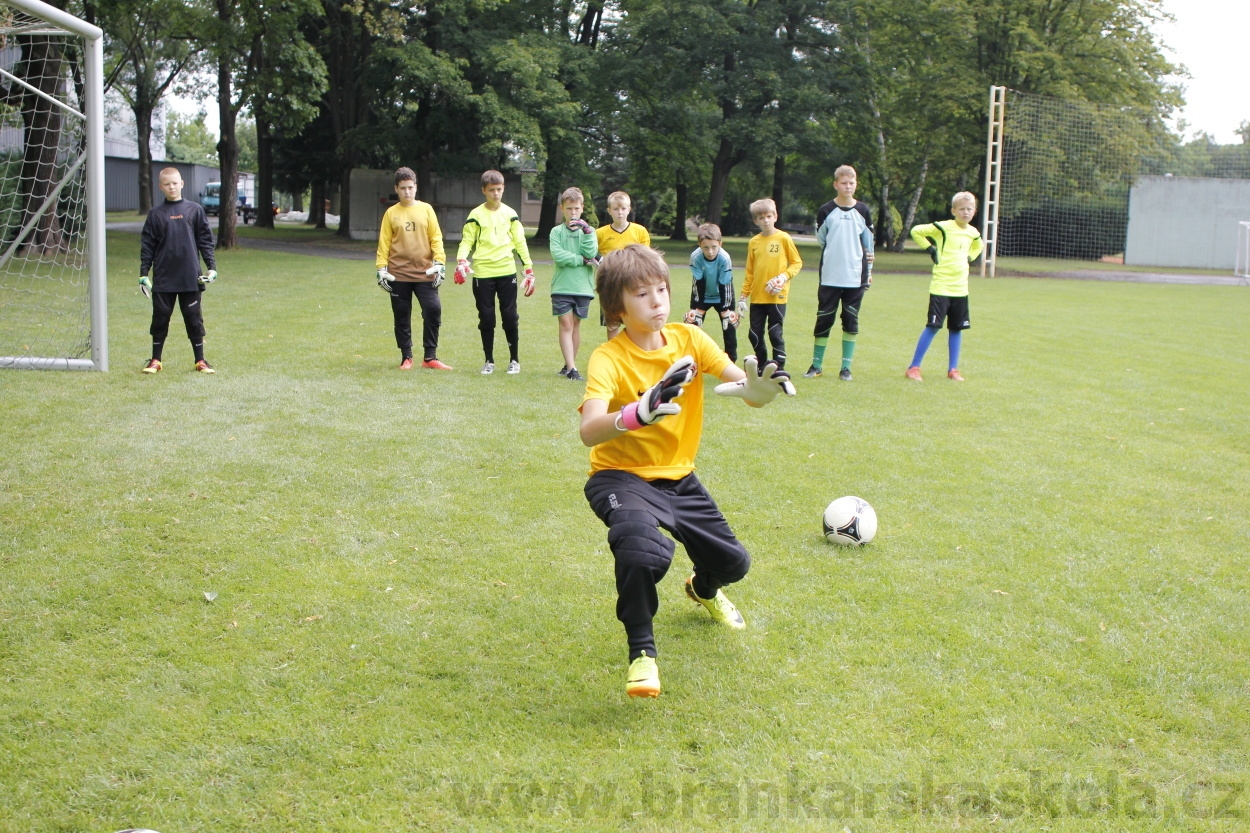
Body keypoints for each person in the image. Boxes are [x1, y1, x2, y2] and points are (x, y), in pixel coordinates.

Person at [579, 244, 795, 698]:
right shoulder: (608, 358)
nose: (657, 301)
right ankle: (642, 655)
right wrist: (636, 414)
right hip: (620, 476)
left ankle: (702, 588)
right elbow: (589, 430)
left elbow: (742, 384)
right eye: (642, 294)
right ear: (618, 305)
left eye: (661, 289)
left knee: (734, 564)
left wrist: (758, 391)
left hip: (679, 477)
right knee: (642, 551)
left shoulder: (691, 339)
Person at [455, 170, 535, 375]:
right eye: (491, 190)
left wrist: (528, 267)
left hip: (507, 271)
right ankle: (489, 360)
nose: (496, 194)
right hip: (482, 273)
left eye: (499, 189)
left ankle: (514, 360)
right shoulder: (475, 215)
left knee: (510, 316)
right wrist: (461, 260)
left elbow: (520, 242)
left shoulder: (511, 214)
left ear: (503, 188)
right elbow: (467, 241)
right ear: (484, 190)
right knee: (487, 318)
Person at [138, 167, 217, 374]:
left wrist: (211, 267)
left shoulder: (195, 210)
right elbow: (148, 245)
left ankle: (200, 361)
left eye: (174, 183)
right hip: (164, 278)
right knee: (160, 317)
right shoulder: (156, 214)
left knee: (193, 317)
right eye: (167, 184)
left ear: (182, 183)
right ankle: (156, 360)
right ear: (160, 187)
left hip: (190, 276)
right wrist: (144, 273)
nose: (171, 187)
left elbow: (205, 240)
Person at [375, 166, 450, 370]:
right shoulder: (391, 213)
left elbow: (436, 237)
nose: (407, 192)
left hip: (425, 272)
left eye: (410, 187)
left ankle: (430, 357)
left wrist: (440, 262)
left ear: (416, 187)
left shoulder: (426, 209)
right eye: (402, 188)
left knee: (433, 310)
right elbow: (384, 242)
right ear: (396, 189)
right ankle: (406, 357)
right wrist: (381, 268)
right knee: (401, 314)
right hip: (398, 274)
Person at [905, 191, 984, 382]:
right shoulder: (943, 227)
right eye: (962, 209)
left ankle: (953, 370)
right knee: (933, 327)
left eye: (970, 209)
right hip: (941, 287)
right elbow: (916, 231)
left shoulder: (973, 232)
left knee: (956, 329)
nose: (966, 212)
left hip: (960, 289)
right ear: (954, 211)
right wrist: (931, 249)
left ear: (974, 211)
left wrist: (970, 257)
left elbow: (978, 245)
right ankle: (913, 367)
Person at [806, 165, 874, 381]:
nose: (848, 186)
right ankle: (816, 365)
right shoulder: (826, 210)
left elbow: (869, 246)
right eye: (843, 183)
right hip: (830, 276)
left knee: (851, 321)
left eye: (851, 183)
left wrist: (869, 271)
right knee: (824, 319)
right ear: (836, 184)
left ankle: (846, 368)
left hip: (855, 277)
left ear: (856, 184)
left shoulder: (863, 211)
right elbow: (822, 240)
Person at [738, 198, 802, 370]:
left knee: (775, 332)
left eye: (768, 216)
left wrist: (783, 276)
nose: (765, 220)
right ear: (755, 220)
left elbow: (796, 263)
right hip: (758, 297)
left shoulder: (783, 238)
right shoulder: (754, 242)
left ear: (775, 216)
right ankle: (762, 364)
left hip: (777, 296)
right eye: (761, 217)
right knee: (754, 334)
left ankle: (778, 366)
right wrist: (743, 296)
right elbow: (750, 272)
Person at [548, 186, 599, 381]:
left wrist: (586, 232)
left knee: (575, 325)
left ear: (582, 208)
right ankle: (572, 369)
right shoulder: (556, 232)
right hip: (562, 285)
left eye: (576, 208)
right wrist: (580, 260)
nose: (573, 213)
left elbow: (590, 253)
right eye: (569, 209)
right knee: (566, 324)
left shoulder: (589, 231)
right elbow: (559, 256)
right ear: (562, 208)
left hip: (583, 287)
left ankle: (569, 364)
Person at [595, 191, 650, 341]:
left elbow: (646, 257)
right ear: (609, 210)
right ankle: (614, 355)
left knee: (635, 319)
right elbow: (591, 253)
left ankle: (635, 351)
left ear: (629, 209)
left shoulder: (640, 231)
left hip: (634, 283)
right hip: (610, 284)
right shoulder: (599, 233)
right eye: (616, 209)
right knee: (612, 323)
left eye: (623, 208)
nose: (620, 212)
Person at [683, 223, 738, 362]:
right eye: (705, 247)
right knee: (693, 326)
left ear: (720, 243)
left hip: (723, 296)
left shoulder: (725, 258)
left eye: (714, 247)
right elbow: (698, 283)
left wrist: (726, 310)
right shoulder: (695, 257)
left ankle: (731, 361)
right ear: (699, 245)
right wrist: (698, 308)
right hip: (702, 295)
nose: (710, 251)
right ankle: (692, 360)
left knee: (729, 327)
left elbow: (725, 284)